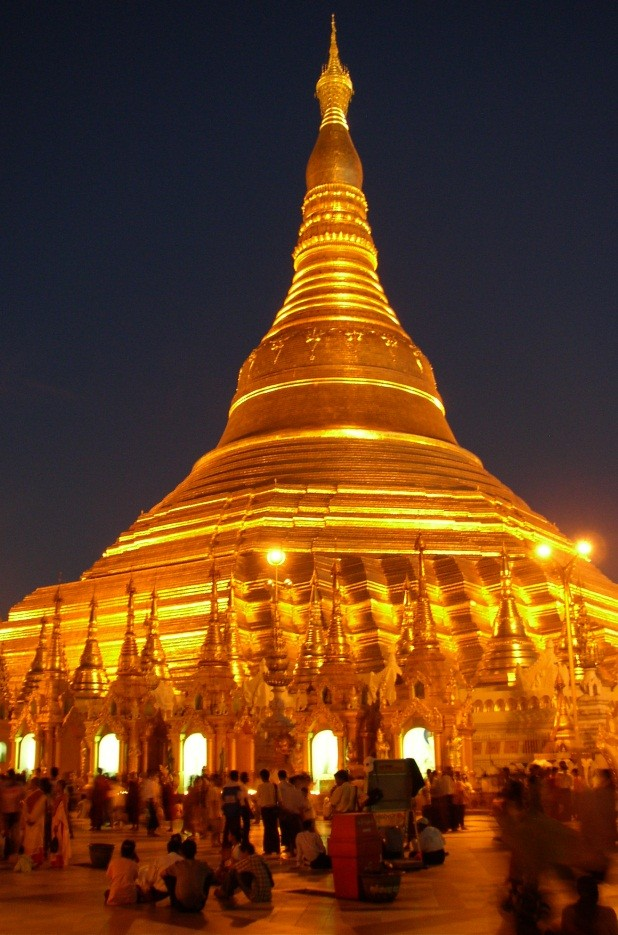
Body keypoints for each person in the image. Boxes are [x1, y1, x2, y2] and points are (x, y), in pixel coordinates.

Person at [163, 837, 215, 912]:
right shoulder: (202, 865)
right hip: (198, 906)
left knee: (167, 876)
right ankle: (201, 896)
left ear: (181, 852)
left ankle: (174, 898)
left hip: (180, 906)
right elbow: (212, 873)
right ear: (195, 852)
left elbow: (162, 874)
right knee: (209, 875)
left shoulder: (178, 865)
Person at [140, 832, 183, 902]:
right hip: (178, 896)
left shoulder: (159, 859)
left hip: (160, 894)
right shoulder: (183, 861)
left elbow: (150, 879)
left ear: (168, 849)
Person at [20, 777, 49, 867]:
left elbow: (38, 810)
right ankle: (31, 860)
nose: (29, 784)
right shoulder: (30, 794)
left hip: (36, 822)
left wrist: (29, 817)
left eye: (31, 783)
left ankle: (35, 860)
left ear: (35, 784)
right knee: (31, 841)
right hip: (31, 822)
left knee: (35, 841)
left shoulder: (41, 796)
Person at [105, 838, 140, 905]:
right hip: (131, 898)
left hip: (114, 896)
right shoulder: (134, 864)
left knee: (107, 892)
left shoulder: (113, 862)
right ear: (133, 851)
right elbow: (135, 878)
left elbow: (109, 877)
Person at [277, 770, 304, 856]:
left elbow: (280, 800)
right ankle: (295, 848)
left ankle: (290, 848)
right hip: (294, 813)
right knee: (294, 832)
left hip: (286, 812)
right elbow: (300, 804)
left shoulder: (280, 786)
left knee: (287, 831)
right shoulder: (294, 789)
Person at [255, 768, 280, 855]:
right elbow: (278, 798)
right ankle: (276, 848)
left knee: (267, 829)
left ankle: (268, 849)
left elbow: (258, 799)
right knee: (274, 829)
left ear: (262, 777)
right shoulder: (274, 786)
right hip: (273, 809)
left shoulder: (260, 787)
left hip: (265, 810)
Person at [50, 779, 71, 868]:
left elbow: (63, 811)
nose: (56, 787)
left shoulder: (63, 797)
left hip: (60, 822)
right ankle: (56, 860)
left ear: (61, 787)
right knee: (56, 839)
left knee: (60, 840)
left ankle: (60, 860)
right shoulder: (57, 797)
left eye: (57, 785)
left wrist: (58, 823)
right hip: (55, 820)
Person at [221, 770, 245, 848]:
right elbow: (240, 798)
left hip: (228, 809)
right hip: (236, 809)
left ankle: (225, 842)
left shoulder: (225, 786)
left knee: (227, 826)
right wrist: (242, 807)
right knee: (236, 826)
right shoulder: (238, 786)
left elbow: (223, 798)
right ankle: (237, 842)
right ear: (235, 776)